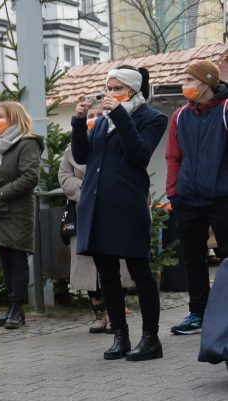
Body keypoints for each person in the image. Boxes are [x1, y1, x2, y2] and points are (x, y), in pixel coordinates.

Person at [72, 66, 167, 361]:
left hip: (127, 206)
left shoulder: (152, 118)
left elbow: (139, 154)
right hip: (98, 205)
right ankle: (120, 337)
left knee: (140, 272)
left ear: (133, 90)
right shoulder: (102, 121)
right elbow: (82, 156)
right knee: (108, 274)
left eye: (117, 88)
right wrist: (78, 121)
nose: (110, 94)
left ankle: (151, 339)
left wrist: (120, 116)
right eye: (107, 89)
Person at [166, 60, 228, 336]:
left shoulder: (225, 109)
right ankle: (197, 314)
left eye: (190, 79)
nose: (185, 85)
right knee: (193, 258)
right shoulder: (180, 116)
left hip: (222, 198)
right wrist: (173, 193)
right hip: (188, 198)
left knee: (226, 257)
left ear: (206, 83)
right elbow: (173, 157)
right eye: (185, 79)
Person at [59, 109, 135, 333]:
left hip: (111, 208)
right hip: (83, 210)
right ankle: (98, 312)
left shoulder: (116, 141)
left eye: (97, 114)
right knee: (87, 265)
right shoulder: (70, 150)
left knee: (115, 262)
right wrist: (87, 189)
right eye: (89, 114)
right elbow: (64, 176)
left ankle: (115, 314)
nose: (93, 118)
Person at [0, 101, 43, 329]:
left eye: (2, 116)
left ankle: (18, 308)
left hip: (17, 212)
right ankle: (11, 308)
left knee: (17, 260)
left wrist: (2, 194)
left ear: (14, 118)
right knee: (5, 261)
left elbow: (30, 177)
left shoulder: (27, 144)